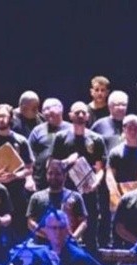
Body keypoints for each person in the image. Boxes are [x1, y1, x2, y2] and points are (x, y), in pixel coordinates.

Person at [51, 102, 108, 249]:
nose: (81, 115)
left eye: (84, 112)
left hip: (88, 190)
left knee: (90, 229)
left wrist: (96, 183)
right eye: (77, 113)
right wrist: (67, 161)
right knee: (65, 228)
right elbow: (52, 164)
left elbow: (100, 168)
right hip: (66, 191)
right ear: (70, 116)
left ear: (88, 116)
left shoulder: (96, 139)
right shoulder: (61, 137)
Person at [0, 104, 35, 240]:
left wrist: (15, 176)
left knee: (17, 231)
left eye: (4, 116)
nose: (1, 119)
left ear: (10, 118)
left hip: (16, 192)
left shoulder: (21, 141)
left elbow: (29, 168)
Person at [27, 158, 88, 243]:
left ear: (65, 175)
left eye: (57, 174)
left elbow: (83, 222)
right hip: (42, 245)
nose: (53, 177)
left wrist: (73, 237)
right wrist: (49, 235)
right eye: (50, 173)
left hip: (68, 244)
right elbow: (30, 222)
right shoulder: (36, 197)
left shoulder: (75, 197)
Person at [29, 98, 71, 190]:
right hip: (41, 182)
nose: (47, 112)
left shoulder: (71, 130)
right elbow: (29, 157)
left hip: (67, 184)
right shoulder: (37, 131)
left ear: (61, 109)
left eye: (49, 108)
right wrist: (29, 178)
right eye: (44, 110)